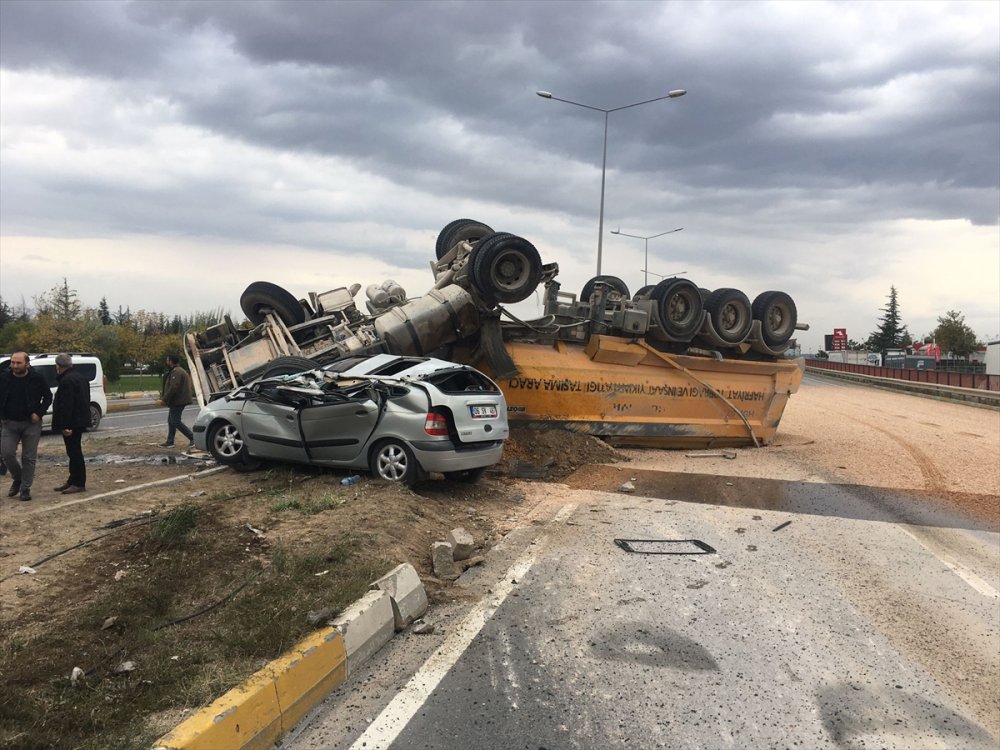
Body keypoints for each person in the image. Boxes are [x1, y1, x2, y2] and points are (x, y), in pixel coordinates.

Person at [0, 351, 53, 501]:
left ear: (27, 363)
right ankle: (18, 478)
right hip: (9, 423)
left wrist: (39, 413)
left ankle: (25, 488)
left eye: (18, 363)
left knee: (28, 457)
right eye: (13, 363)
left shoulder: (36, 378)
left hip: (31, 424)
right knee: (7, 454)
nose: (15, 366)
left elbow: (48, 396)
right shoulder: (4, 378)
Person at [51, 353, 90, 494]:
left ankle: (79, 483)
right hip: (80, 421)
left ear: (58, 366)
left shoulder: (67, 381)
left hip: (72, 423)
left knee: (74, 453)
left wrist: (66, 425)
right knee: (73, 452)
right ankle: (72, 480)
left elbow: (67, 405)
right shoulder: (80, 377)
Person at [161, 354, 194, 448]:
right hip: (178, 400)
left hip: (178, 401)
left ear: (170, 361)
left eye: (167, 359)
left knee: (175, 421)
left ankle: (192, 437)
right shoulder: (178, 370)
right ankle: (170, 442)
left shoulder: (177, 372)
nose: (166, 361)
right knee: (171, 420)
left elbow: (173, 387)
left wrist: (164, 399)